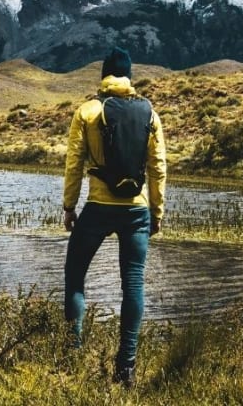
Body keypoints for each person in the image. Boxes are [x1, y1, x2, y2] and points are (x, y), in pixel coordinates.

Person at [62, 46, 167, 388]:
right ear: (130, 76)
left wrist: (68, 206)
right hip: (136, 211)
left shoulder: (88, 111)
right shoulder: (150, 114)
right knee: (133, 284)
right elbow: (158, 167)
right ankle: (126, 369)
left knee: (75, 276)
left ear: (104, 75)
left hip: (98, 208)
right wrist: (157, 211)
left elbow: (74, 163)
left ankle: (71, 356)